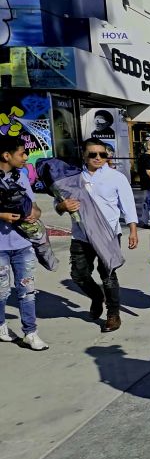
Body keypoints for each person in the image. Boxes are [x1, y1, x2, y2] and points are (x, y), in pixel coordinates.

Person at [58, 138, 138, 333]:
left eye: (103, 154)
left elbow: (128, 205)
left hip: (108, 234)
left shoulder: (116, 177)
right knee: (79, 275)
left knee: (108, 274)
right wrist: (62, 206)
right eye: (93, 154)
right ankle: (96, 296)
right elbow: (58, 203)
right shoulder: (73, 178)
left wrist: (133, 230)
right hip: (81, 235)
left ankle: (113, 314)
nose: (98, 158)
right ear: (84, 155)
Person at [0, 137, 46, 350]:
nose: (25, 158)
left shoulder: (22, 177)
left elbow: (35, 207)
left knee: (27, 290)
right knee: (1, 291)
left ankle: (30, 332)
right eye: (22, 153)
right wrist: (2, 216)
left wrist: (33, 214)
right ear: (6, 155)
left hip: (22, 244)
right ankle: (1, 324)